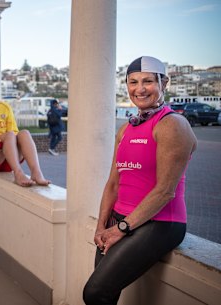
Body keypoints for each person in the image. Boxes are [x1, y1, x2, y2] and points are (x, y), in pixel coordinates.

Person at [82, 56, 197, 304]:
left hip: (160, 223)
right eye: (133, 82)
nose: (139, 88)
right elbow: (113, 183)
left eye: (147, 81)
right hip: (120, 219)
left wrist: (122, 229)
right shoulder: (126, 129)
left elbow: (165, 191)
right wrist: (102, 225)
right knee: (106, 294)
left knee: (94, 293)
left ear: (163, 83)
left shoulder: (173, 124)